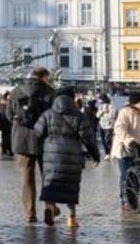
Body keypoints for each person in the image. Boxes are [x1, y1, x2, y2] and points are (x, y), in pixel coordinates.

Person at [35, 87, 101, 228]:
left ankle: (50, 208)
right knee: (70, 186)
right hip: (72, 153)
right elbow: (88, 138)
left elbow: (38, 131)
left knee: (51, 182)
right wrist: (96, 155)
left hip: (51, 152)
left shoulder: (48, 114)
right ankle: (71, 219)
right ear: (72, 99)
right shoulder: (79, 116)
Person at [5, 66, 56, 224]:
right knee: (47, 176)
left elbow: (8, 115)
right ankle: (49, 205)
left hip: (22, 139)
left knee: (27, 178)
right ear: (43, 78)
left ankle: (30, 213)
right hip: (44, 140)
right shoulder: (49, 92)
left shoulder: (16, 92)